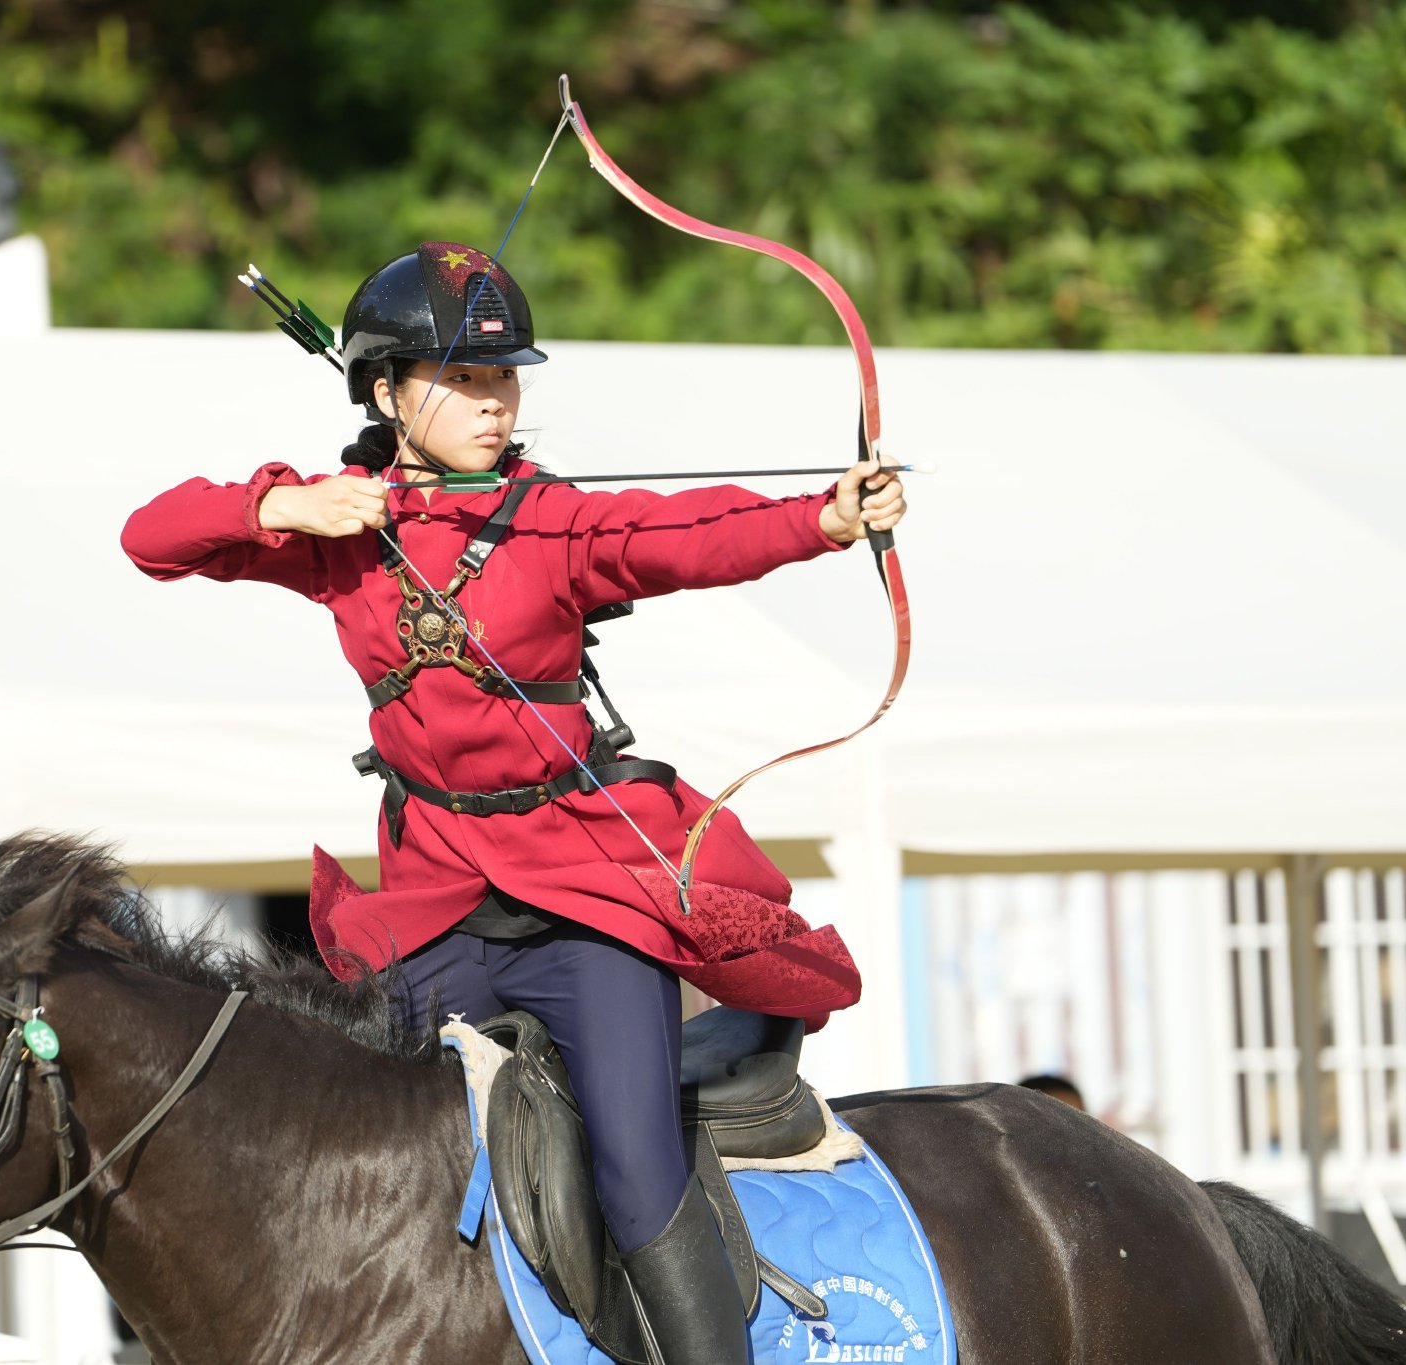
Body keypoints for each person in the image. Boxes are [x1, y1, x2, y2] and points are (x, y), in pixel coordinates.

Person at [121, 242, 907, 1364]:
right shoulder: (337, 537)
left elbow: (692, 535)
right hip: (432, 906)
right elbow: (150, 537)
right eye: (463, 379)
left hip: (583, 901)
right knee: (349, 1140)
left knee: (634, 1170)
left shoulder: (554, 525)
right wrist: (289, 502)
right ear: (387, 394)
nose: (495, 402)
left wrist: (821, 520)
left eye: (504, 379)